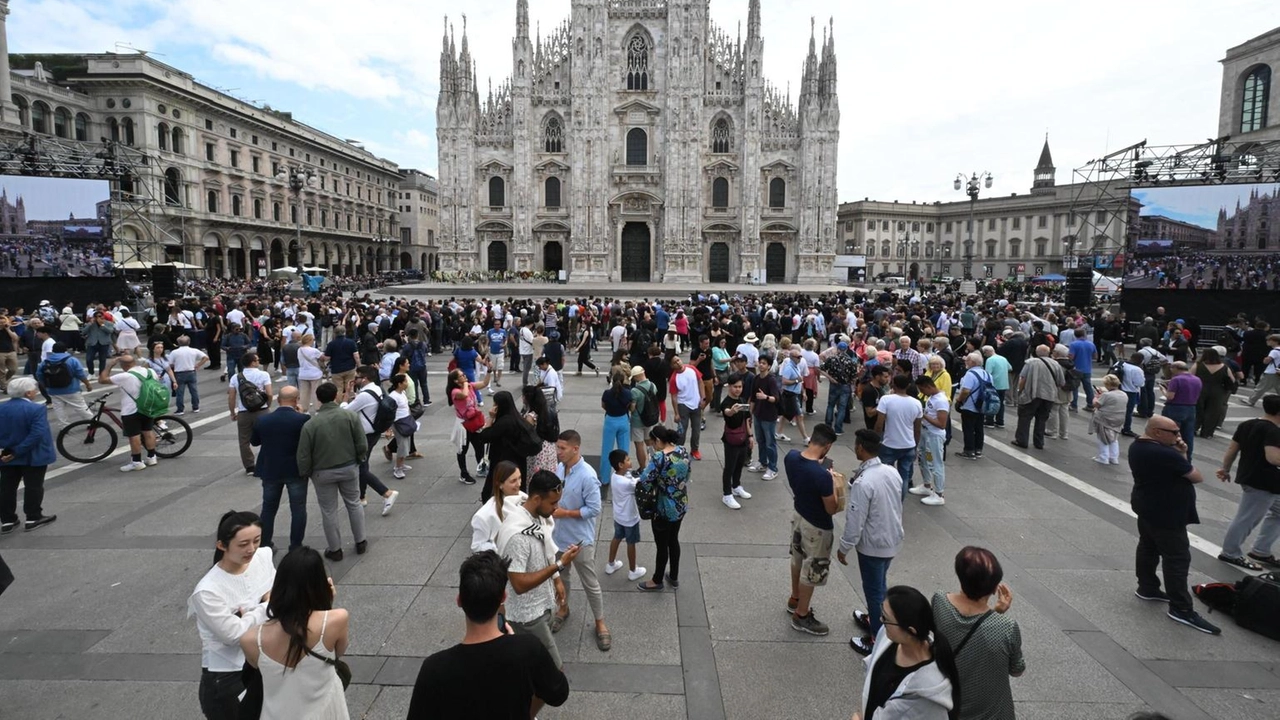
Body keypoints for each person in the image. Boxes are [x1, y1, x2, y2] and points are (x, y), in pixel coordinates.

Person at [406, 550, 570, 719]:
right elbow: (559, 693)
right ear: (503, 598)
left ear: (459, 600)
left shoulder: (434, 669)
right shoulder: (528, 650)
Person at [1128, 416, 1219, 634]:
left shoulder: (1138, 446)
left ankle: (1147, 586)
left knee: (1148, 547)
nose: (1179, 436)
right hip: (1167, 514)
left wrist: (1180, 453)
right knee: (1177, 558)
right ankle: (1181, 608)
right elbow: (1196, 476)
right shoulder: (1163, 453)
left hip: (1148, 507)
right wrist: (1181, 454)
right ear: (1157, 432)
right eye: (1174, 432)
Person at [240, 547, 350, 720]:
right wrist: (327, 603)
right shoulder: (337, 620)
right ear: (321, 584)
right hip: (325, 710)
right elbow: (339, 651)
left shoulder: (250, 639)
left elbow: (256, 667)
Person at [188, 511, 274, 720]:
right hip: (227, 675)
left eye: (256, 540)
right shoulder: (208, 591)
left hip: (263, 661)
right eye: (243, 544)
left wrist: (249, 614)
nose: (251, 549)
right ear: (221, 545)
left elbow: (275, 589)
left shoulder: (263, 556)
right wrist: (267, 607)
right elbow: (234, 636)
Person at [496, 469, 581, 670]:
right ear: (535, 498)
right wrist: (559, 565)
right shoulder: (518, 537)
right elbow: (518, 584)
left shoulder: (536, 516)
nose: (556, 508)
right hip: (528, 616)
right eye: (552, 503)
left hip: (541, 605)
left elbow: (546, 549)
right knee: (555, 670)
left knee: (530, 665)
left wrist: (557, 579)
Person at [932, 547, 1025, 720]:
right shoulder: (1006, 627)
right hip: (993, 714)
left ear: (960, 578)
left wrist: (994, 613)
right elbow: (1017, 670)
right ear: (993, 589)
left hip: (948, 708)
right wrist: (995, 614)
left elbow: (962, 628)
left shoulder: (939, 602)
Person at [841, 429, 906, 655]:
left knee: (873, 590)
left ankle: (876, 640)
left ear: (860, 447)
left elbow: (855, 519)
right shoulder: (892, 472)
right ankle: (876, 615)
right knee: (880, 584)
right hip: (892, 539)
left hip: (873, 546)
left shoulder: (863, 482)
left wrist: (844, 547)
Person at [852, 586, 959, 720]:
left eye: (885, 618)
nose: (881, 620)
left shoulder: (927, 696)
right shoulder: (888, 637)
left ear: (911, 631)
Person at [550, 430, 611, 651]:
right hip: (558, 537)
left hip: (580, 542)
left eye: (562, 448)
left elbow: (594, 509)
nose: (558, 452)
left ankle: (600, 622)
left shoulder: (587, 475)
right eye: (558, 447)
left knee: (590, 583)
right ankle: (563, 609)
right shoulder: (560, 468)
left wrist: (566, 513)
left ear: (576, 449)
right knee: (561, 578)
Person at [297, 382, 369, 562]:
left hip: (322, 472)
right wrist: (360, 459)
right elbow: (361, 443)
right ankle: (360, 540)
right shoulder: (350, 416)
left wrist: (305, 472)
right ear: (336, 396)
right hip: (348, 466)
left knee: (329, 510)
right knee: (354, 503)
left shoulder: (311, 423)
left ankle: (335, 549)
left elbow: (304, 453)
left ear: (319, 399)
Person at [783, 424, 840, 636]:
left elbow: (805, 465)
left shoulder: (791, 457)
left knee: (797, 559)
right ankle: (802, 615)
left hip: (798, 516)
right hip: (817, 526)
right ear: (828, 446)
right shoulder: (822, 476)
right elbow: (831, 508)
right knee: (813, 568)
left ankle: (794, 598)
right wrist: (833, 482)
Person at [1215, 394, 1280, 570]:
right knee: (1247, 518)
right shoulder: (1274, 431)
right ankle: (1230, 552)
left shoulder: (1247, 425)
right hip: (1265, 481)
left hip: (1250, 477)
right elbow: (1274, 458)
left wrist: (1225, 468)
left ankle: (1261, 550)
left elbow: (1232, 449)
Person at [251, 387, 313, 551]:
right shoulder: (303, 420)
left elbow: (255, 442)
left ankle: (265, 544)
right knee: (298, 509)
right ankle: (296, 545)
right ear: (296, 400)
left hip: (270, 469)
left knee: (269, 508)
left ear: (279, 400)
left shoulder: (263, 420)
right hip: (295, 470)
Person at [0, 377, 58, 534]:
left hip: (6, 454)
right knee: (33, 486)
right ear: (28, 393)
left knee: (6, 488)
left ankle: (7, 520)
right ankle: (33, 517)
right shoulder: (36, 409)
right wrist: (17, 451)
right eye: (34, 389)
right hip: (33, 455)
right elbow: (37, 434)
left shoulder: (2, 408)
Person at [637, 425, 691, 592]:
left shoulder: (659, 457)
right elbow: (687, 474)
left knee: (662, 545)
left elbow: (645, 480)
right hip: (680, 502)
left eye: (653, 443)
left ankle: (657, 579)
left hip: (664, 507)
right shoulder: (682, 450)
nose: (653, 446)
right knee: (673, 540)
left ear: (658, 441)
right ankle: (673, 576)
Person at [342, 366, 398, 508]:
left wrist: (346, 395)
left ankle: (386, 493)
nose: (354, 380)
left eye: (356, 378)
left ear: (364, 379)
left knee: (360, 468)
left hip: (365, 435)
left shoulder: (364, 395)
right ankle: (361, 497)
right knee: (363, 464)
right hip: (374, 432)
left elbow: (345, 412)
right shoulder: (377, 389)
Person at [100, 354, 161, 473]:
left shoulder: (125, 376)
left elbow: (102, 380)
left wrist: (109, 366)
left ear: (123, 365)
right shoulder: (150, 371)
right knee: (148, 431)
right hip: (148, 407)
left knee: (134, 436)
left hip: (131, 410)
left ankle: (137, 462)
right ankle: (152, 457)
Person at [476, 391, 535, 502]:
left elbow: (484, 437)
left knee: (492, 491)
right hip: (518, 460)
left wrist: (490, 418)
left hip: (502, 461)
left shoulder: (504, 422)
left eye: (495, 404)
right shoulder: (518, 418)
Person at [875, 374, 923, 498]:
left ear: (893, 385)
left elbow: (879, 424)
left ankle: (885, 499)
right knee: (904, 476)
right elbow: (917, 429)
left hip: (889, 443)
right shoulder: (917, 403)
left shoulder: (886, 400)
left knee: (884, 474)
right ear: (908, 386)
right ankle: (899, 502)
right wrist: (915, 446)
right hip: (908, 444)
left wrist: (876, 440)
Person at [604, 449, 647, 581]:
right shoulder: (627, 484)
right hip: (630, 518)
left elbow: (632, 478)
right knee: (631, 543)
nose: (630, 461)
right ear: (621, 465)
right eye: (628, 459)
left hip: (619, 516)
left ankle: (610, 564)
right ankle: (633, 570)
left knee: (617, 537)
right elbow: (639, 484)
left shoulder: (615, 476)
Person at [229, 352, 274, 475]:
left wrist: (233, 412)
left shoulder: (235, 377)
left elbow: (231, 397)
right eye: (257, 360)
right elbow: (269, 393)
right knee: (268, 437)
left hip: (244, 411)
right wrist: (267, 405)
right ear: (253, 362)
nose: (258, 361)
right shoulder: (264, 374)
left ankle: (249, 467)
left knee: (244, 440)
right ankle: (267, 463)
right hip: (262, 411)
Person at [445, 368, 489, 485]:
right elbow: (464, 395)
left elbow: (484, 383)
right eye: (461, 375)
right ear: (455, 380)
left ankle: (482, 468)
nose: (465, 376)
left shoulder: (469, 386)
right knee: (462, 450)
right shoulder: (455, 391)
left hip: (473, 422)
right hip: (463, 424)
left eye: (464, 374)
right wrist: (466, 384)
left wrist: (489, 371)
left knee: (479, 446)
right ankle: (464, 474)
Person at [470, 461, 524, 552]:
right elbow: (476, 547)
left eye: (519, 478)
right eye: (513, 481)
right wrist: (501, 546)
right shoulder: (484, 515)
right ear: (500, 484)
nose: (519, 484)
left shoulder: (523, 497)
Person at [719, 372, 755, 509]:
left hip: (743, 437)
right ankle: (727, 494)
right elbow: (726, 411)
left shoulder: (742, 400)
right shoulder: (726, 403)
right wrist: (732, 412)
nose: (738, 389)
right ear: (729, 387)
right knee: (730, 466)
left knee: (740, 464)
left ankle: (736, 486)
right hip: (731, 439)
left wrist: (750, 436)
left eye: (740, 386)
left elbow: (747, 420)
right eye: (735, 387)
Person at [36, 342, 93, 426]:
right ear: (65, 350)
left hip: (53, 390)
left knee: (59, 409)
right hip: (71, 389)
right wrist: (88, 384)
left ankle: (64, 426)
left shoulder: (45, 362)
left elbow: (39, 375)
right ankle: (91, 422)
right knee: (80, 407)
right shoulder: (72, 360)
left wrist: (45, 386)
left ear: (52, 350)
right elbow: (80, 374)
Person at [912, 375, 949, 506]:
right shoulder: (932, 398)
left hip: (935, 435)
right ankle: (927, 485)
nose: (922, 393)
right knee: (923, 458)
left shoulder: (941, 401)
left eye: (922, 389)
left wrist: (924, 415)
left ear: (928, 386)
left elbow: (942, 423)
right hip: (926, 433)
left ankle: (939, 493)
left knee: (936, 463)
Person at [748, 355, 783, 480]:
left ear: (768, 366)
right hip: (758, 414)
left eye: (764, 363)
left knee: (770, 443)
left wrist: (766, 397)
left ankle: (773, 468)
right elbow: (752, 398)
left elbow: (776, 398)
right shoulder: (756, 378)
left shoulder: (771, 380)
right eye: (760, 363)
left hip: (769, 416)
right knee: (761, 440)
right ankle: (762, 462)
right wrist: (750, 414)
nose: (761, 365)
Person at [1160, 361, 1201, 461]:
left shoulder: (1176, 379)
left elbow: (1170, 396)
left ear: (1175, 368)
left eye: (1171, 368)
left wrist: (1163, 390)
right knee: (1188, 435)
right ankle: (1187, 458)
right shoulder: (1197, 379)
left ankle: (1169, 457)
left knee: (1171, 434)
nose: (1170, 370)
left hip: (1175, 408)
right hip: (1191, 408)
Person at [669, 354, 706, 461]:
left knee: (696, 429)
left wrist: (703, 398)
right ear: (672, 366)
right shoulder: (674, 379)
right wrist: (676, 413)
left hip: (696, 403)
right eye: (675, 362)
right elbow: (674, 397)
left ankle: (695, 450)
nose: (678, 362)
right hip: (683, 405)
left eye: (678, 360)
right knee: (682, 430)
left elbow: (700, 382)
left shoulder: (692, 369)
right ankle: (679, 450)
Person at [600, 368, 634, 484]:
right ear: (623, 380)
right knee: (624, 450)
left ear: (612, 381)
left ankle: (605, 479)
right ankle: (625, 475)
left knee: (606, 450)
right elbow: (631, 408)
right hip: (623, 420)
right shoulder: (628, 393)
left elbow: (603, 406)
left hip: (610, 420)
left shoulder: (607, 393)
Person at [955, 352, 991, 460]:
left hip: (970, 405)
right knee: (979, 428)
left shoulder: (970, 374)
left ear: (972, 362)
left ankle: (969, 450)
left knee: (968, 428)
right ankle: (978, 450)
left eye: (967, 360)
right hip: (982, 405)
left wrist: (959, 400)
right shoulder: (987, 374)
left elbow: (966, 390)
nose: (966, 362)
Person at [1194, 347, 1234, 440]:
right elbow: (1232, 380)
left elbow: (1190, 375)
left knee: (1198, 409)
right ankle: (1207, 433)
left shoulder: (1198, 365)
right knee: (1213, 412)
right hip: (1218, 391)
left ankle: (1194, 428)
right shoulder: (1224, 367)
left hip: (1200, 389)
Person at [821, 341, 858, 435]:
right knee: (842, 407)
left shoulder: (832, 359)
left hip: (834, 384)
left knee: (830, 405)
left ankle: (827, 426)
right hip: (845, 386)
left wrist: (830, 378)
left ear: (837, 349)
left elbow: (821, 369)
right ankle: (838, 428)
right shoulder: (851, 361)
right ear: (846, 349)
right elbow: (854, 377)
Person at [1090, 374, 1128, 466]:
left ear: (1107, 384)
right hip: (1119, 418)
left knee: (1103, 438)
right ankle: (1113, 457)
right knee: (1114, 438)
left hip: (1105, 419)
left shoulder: (1107, 395)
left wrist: (1096, 396)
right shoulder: (1124, 394)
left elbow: (1096, 404)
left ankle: (1103, 457)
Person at [169, 335, 210, 415]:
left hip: (179, 373)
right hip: (191, 371)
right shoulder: (194, 350)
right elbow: (205, 357)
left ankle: (180, 409)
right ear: (189, 342)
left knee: (180, 392)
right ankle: (196, 407)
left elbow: (170, 364)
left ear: (178, 343)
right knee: (194, 391)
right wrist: (198, 365)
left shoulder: (174, 352)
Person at [386, 372, 415, 480]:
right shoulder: (393, 396)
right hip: (399, 423)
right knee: (402, 446)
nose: (407, 383)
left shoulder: (402, 393)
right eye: (405, 381)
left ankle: (401, 464)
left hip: (406, 421)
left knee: (406, 444)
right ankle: (398, 468)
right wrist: (388, 429)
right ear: (399, 384)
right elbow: (389, 412)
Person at [320, 326, 359, 403]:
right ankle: (350, 403)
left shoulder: (331, 344)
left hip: (336, 369)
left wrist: (322, 357)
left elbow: (327, 358)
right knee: (350, 387)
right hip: (350, 367)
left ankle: (340, 404)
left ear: (335, 333)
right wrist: (359, 365)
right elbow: (356, 356)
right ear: (344, 332)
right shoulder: (351, 342)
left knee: (338, 389)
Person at [629, 365, 657, 468]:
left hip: (638, 421)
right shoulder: (653, 386)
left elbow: (632, 408)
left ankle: (642, 467)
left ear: (636, 377)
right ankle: (653, 463)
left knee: (639, 445)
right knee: (649, 443)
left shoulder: (635, 391)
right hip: (650, 419)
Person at [1068, 327, 1098, 411]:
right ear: (1084, 334)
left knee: (1075, 388)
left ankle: (1074, 405)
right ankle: (1090, 404)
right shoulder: (1091, 344)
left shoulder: (1073, 344)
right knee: (1088, 388)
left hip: (1076, 369)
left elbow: (1071, 357)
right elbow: (1095, 356)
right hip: (1087, 368)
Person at [1246, 334, 1280, 405]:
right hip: (1278, 372)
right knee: (1278, 387)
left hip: (1271, 372)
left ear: (1275, 341)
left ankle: (1251, 401)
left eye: (1269, 340)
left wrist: (1265, 359)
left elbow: (1267, 361)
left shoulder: (1274, 351)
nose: (1267, 342)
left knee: (1261, 387)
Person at [296, 334, 326, 414]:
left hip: (303, 373)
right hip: (315, 373)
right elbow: (322, 358)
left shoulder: (299, 350)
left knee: (304, 393)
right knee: (316, 392)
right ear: (310, 340)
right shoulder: (314, 350)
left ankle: (305, 409)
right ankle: (317, 409)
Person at [983, 344, 1012, 428]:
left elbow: (988, 373)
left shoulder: (990, 360)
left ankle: (989, 421)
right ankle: (1000, 421)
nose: (984, 355)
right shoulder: (1003, 358)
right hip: (1004, 384)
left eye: (984, 353)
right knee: (1001, 403)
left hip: (994, 384)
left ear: (987, 352)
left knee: (991, 402)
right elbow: (1010, 368)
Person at [80, 310, 116, 376]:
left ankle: (101, 373)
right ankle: (91, 373)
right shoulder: (90, 324)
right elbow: (83, 332)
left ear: (103, 316)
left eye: (100, 316)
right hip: (92, 343)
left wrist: (102, 325)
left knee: (102, 359)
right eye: (96, 317)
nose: (98, 318)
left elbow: (110, 331)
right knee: (89, 359)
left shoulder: (108, 323)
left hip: (104, 343)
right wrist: (90, 324)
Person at [1118, 352, 1146, 437]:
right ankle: (1127, 429)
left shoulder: (1120, 363)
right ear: (1141, 361)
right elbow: (1140, 383)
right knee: (1128, 412)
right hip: (1130, 392)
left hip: (1118, 389)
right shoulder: (1137, 369)